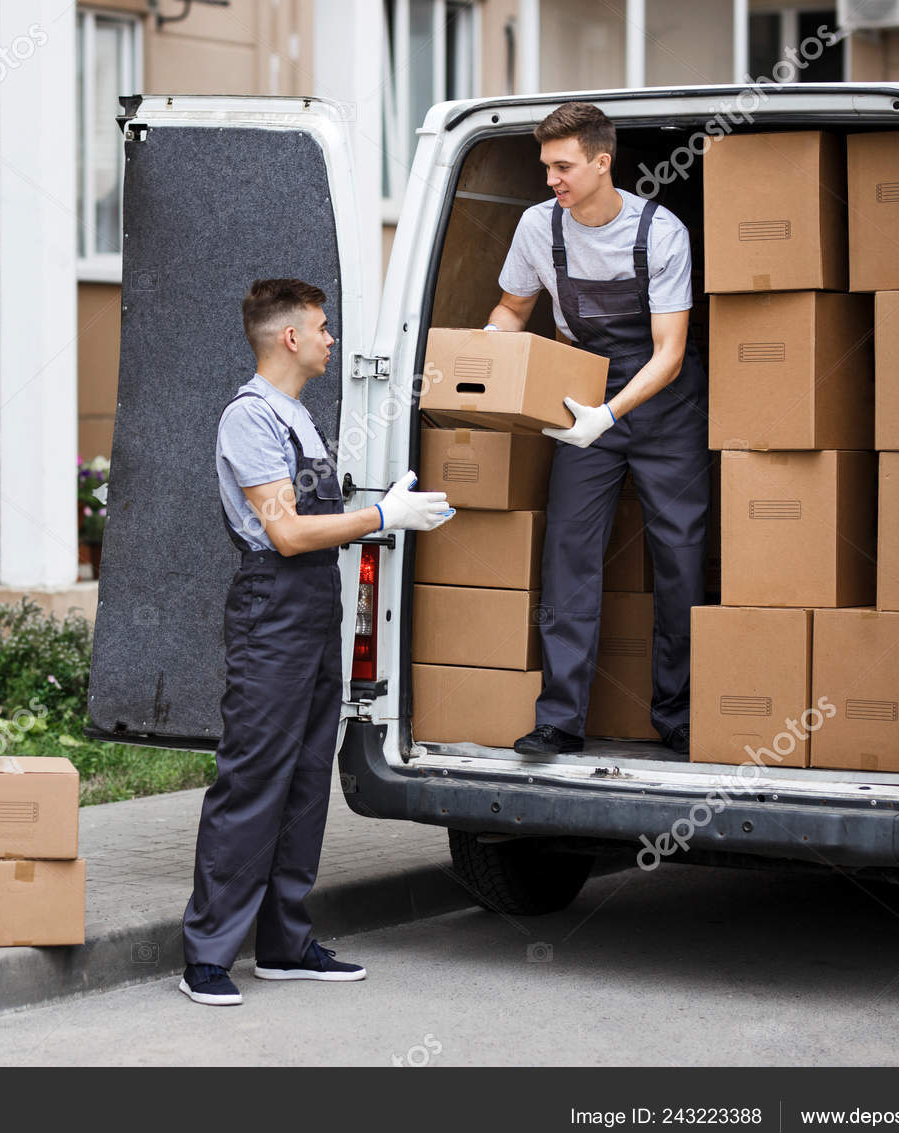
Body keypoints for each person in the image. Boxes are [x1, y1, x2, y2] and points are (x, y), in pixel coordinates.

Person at [179, 277, 454, 1006]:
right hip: (272, 605)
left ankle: (286, 943)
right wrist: (380, 519)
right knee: (253, 779)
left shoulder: (297, 416)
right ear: (291, 337)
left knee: (305, 779)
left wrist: (376, 506)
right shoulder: (249, 418)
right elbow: (289, 531)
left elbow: (313, 519)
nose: (333, 338)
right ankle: (206, 954)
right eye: (324, 327)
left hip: (311, 607)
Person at [486, 101, 708, 759]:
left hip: (663, 408)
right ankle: (560, 719)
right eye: (546, 166)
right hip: (580, 399)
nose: (551, 177)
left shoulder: (660, 233)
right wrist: (485, 349)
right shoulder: (536, 227)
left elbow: (669, 353)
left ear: (602, 162)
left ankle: (680, 715)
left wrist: (608, 416)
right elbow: (511, 306)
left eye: (563, 165)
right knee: (568, 556)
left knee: (681, 558)